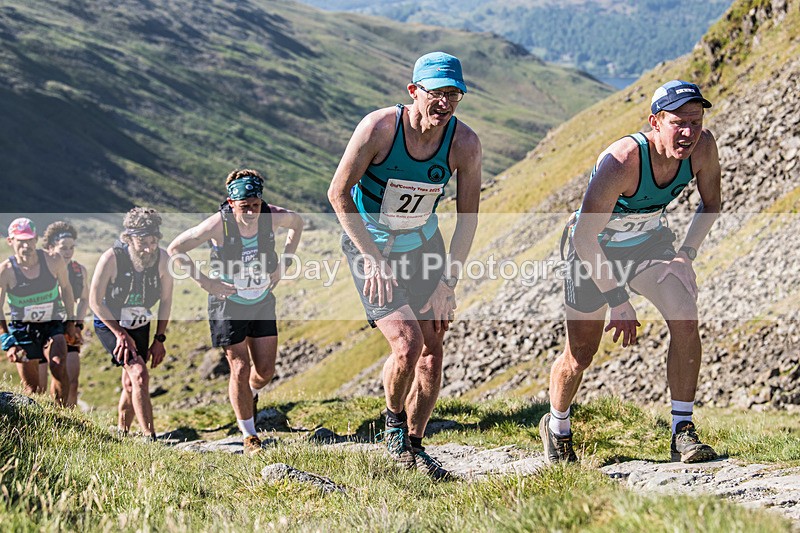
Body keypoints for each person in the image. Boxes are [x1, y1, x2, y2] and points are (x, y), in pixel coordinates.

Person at [540, 80, 722, 464]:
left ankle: (682, 431)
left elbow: (712, 204)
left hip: (647, 245)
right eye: (678, 122)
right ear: (655, 122)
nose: (689, 131)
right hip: (593, 252)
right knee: (581, 354)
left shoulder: (703, 148)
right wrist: (617, 299)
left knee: (685, 317)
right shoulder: (622, 161)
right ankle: (557, 426)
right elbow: (585, 236)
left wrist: (686, 255)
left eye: (696, 120)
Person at [327, 51, 481, 479]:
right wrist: (374, 262)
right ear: (414, 91)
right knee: (407, 344)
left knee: (433, 353)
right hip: (370, 245)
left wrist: (447, 283)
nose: (445, 104)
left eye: (454, 95)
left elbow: (468, 219)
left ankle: (415, 445)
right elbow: (338, 194)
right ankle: (392, 427)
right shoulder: (379, 128)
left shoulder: (464, 143)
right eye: (437, 94)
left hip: (422, 245)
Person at [167, 169, 303, 455]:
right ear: (231, 203)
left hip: (262, 299)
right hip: (228, 303)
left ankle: (250, 395)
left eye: (255, 204)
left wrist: (284, 263)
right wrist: (205, 281)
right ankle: (249, 435)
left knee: (264, 371)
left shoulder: (272, 215)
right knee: (240, 367)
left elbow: (298, 223)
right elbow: (176, 248)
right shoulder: (218, 224)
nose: (252, 212)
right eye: (245, 207)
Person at [89, 208, 173, 441]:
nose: (148, 248)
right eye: (142, 242)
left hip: (140, 323)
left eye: (153, 241)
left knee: (130, 382)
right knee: (139, 374)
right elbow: (95, 302)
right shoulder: (112, 258)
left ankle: (122, 432)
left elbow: (166, 301)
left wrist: (160, 338)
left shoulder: (163, 259)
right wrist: (119, 333)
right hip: (110, 322)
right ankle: (150, 438)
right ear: (128, 238)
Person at [0, 218, 76, 405]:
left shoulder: (53, 261)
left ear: (36, 239)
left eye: (30, 240)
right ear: (11, 241)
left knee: (58, 365)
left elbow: (66, 289)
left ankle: (61, 414)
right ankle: (39, 424)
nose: (26, 245)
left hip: (52, 325)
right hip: (23, 329)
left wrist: (71, 322)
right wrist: (7, 341)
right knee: (33, 390)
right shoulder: (6, 270)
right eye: (21, 241)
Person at [43, 221, 89, 408]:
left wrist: (78, 323)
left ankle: (69, 419)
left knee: (72, 378)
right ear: (50, 247)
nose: (68, 252)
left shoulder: (79, 271)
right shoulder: (42, 269)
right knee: (45, 380)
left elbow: (85, 298)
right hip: (44, 326)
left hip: (69, 326)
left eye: (71, 248)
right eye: (63, 248)